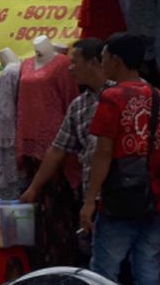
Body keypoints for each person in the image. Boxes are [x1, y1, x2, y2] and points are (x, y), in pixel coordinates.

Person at [81, 33, 160, 285]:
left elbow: (103, 154)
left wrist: (89, 200)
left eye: (105, 58)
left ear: (117, 61)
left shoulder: (112, 98)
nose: (103, 64)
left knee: (104, 271)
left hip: (120, 199)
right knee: (147, 267)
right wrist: (159, 188)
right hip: (154, 199)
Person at [21, 38, 111, 209]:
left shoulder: (122, 94)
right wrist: (33, 188)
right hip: (95, 196)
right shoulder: (79, 106)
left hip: (123, 190)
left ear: (92, 63)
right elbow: (57, 149)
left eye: (75, 63)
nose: (70, 68)